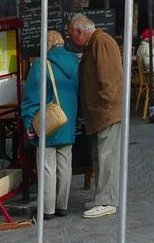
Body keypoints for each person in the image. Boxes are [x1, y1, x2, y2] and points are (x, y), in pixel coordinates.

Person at [20, 30, 79, 221]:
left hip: (49, 122)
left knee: (47, 166)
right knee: (65, 164)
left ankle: (47, 209)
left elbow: (32, 96)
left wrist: (29, 123)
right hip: (67, 119)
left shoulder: (40, 64)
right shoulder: (74, 62)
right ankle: (62, 206)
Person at [67, 13, 122, 219]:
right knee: (100, 157)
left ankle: (107, 200)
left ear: (79, 32)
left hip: (105, 112)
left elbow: (110, 77)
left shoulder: (102, 42)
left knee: (106, 157)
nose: (71, 39)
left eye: (71, 35)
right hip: (100, 112)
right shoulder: (96, 42)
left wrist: (104, 105)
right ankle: (102, 197)